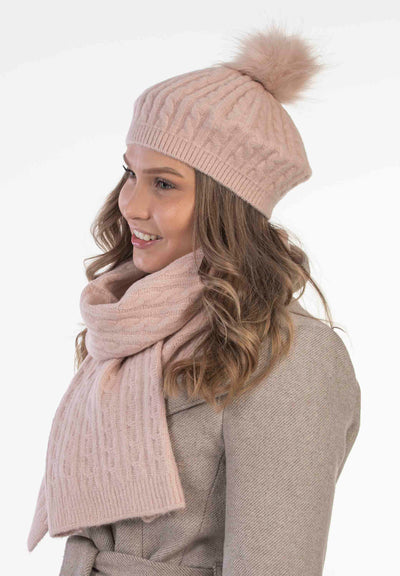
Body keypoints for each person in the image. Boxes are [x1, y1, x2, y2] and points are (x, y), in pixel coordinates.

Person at [27, 23, 361, 576]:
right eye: (131, 173)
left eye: (164, 183)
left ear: (226, 204)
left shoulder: (292, 355)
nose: (131, 205)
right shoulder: (132, 327)